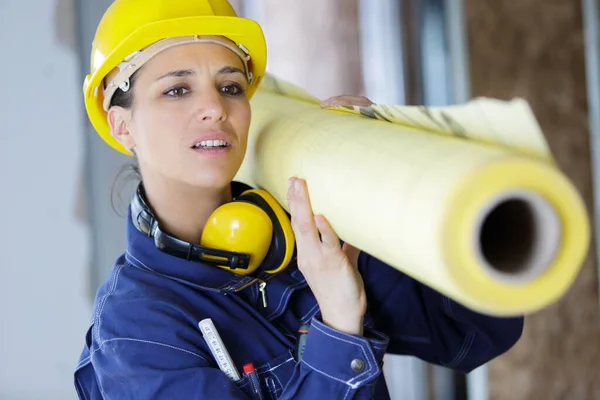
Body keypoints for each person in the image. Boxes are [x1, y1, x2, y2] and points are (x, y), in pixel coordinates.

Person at [74, 0, 524, 399]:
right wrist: (339, 325)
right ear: (121, 126)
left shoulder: (303, 233)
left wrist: (395, 174)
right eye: (177, 89)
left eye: (230, 86)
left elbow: (473, 333)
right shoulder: (135, 331)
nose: (215, 107)